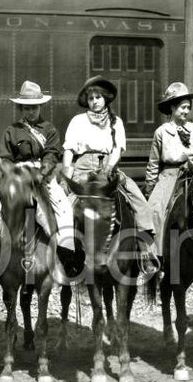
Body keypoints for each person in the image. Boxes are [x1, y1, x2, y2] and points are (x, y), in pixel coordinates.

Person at [60, 75, 157, 274]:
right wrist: (67, 175)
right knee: (66, 207)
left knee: (138, 201)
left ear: (105, 99)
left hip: (108, 168)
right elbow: (69, 150)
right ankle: (67, 255)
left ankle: (145, 250)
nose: (94, 101)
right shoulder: (78, 121)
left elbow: (117, 149)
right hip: (83, 169)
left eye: (98, 97)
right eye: (90, 98)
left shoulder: (116, 122)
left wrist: (110, 167)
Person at [0, 81, 75, 266]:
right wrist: (12, 174)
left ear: (40, 106)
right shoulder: (12, 131)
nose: (31, 112)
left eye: (34, 107)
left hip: (41, 176)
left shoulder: (49, 129)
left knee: (64, 209)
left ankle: (67, 256)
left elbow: (52, 155)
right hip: (17, 176)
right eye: (27, 108)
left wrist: (42, 173)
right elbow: (5, 158)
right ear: (21, 108)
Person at [145, 82, 193, 255]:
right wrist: (151, 189)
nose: (186, 111)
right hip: (169, 176)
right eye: (182, 107)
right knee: (155, 212)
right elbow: (153, 163)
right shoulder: (162, 131)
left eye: (188, 108)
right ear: (172, 108)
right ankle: (155, 256)